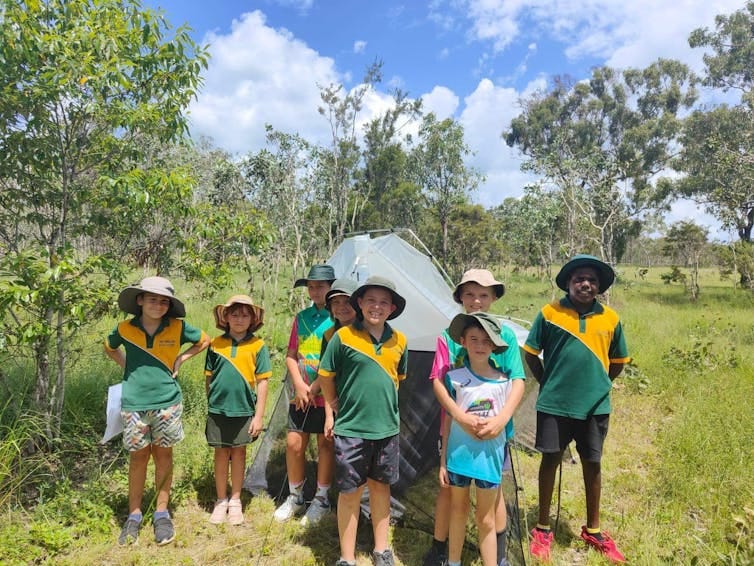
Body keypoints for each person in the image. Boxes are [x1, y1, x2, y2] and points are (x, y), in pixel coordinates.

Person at [524, 254, 630, 563]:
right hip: (554, 404)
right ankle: (543, 528)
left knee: (592, 464)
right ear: (568, 283)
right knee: (550, 461)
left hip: (595, 407)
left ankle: (594, 530)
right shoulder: (549, 313)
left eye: (592, 280)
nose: (586, 284)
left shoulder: (610, 318)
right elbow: (532, 355)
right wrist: (550, 383)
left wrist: (598, 385)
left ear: (599, 287)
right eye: (579, 279)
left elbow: (618, 363)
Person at [424, 269, 526, 566]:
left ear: (493, 297)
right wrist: (459, 417)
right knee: (451, 492)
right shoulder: (448, 336)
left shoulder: (503, 334)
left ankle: (500, 553)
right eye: (469, 294)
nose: (476, 300)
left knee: (492, 496)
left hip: (494, 430)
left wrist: (501, 419)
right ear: (460, 298)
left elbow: (516, 380)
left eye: (483, 294)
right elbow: (437, 380)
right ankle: (441, 550)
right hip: (457, 431)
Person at [104, 276, 210, 546]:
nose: (158, 305)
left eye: (164, 301)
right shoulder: (125, 328)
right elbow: (109, 346)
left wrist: (182, 358)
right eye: (152, 299)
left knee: (164, 456)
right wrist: (126, 366)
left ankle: (162, 513)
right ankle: (134, 515)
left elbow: (204, 340)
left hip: (168, 402)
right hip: (134, 404)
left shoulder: (177, 327)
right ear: (139, 300)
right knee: (138, 458)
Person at [318, 276, 408, 566]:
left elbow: (398, 379)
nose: (377, 307)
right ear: (359, 303)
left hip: (386, 430)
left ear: (392, 308)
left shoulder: (400, 341)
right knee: (350, 492)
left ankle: (382, 550)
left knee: (381, 489)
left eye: (383, 302)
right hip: (352, 430)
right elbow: (325, 374)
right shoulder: (342, 337)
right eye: (371, 300)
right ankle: (347, 557)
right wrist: (333, 404)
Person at [440, 312, 516, 566]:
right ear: (463, 341)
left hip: (489, 461)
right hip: (458, 458)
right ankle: (453, 561)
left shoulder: (506, 382)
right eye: (474, 339)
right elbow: (448, 421)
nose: (480, 345)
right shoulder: (454, 378)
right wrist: (442, 461)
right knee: (458, 510)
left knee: (486, 518)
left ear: (494, 346)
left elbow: (505, 422)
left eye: (486, 340)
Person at [274, 264, 337, 525]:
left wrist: (316, 387)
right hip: (300, 394)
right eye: (311, 286)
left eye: (320, 286)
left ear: (331, 287)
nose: (314, 291)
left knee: (325, 444)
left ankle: (321, 498)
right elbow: (291, 354)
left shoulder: (338, 318)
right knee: (294, 444)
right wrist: (300, 385)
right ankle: (296, 496)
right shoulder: (300, 318)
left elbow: (335, 362)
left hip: (327, 394)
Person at [204, 295, 270, 525]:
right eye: (234, 314)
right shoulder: (215, 344)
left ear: (252, 319)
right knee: (221, 453)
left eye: (245, 314)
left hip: (244, 410)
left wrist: (259, 416)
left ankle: (235, 500)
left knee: (239, 452)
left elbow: (262, 382)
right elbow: (209, 379)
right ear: (226, 317)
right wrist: (211, 404)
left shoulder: (258, 345)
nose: (239, 319)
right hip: (218, 410)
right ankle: (221, 500)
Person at [320, 278, 359, 446]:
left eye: (347, 301)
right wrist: (329, 416)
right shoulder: (329, 336)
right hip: (340, 405)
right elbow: (326, 376)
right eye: (336, 302)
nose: (341, 307)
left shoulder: (367, 333)